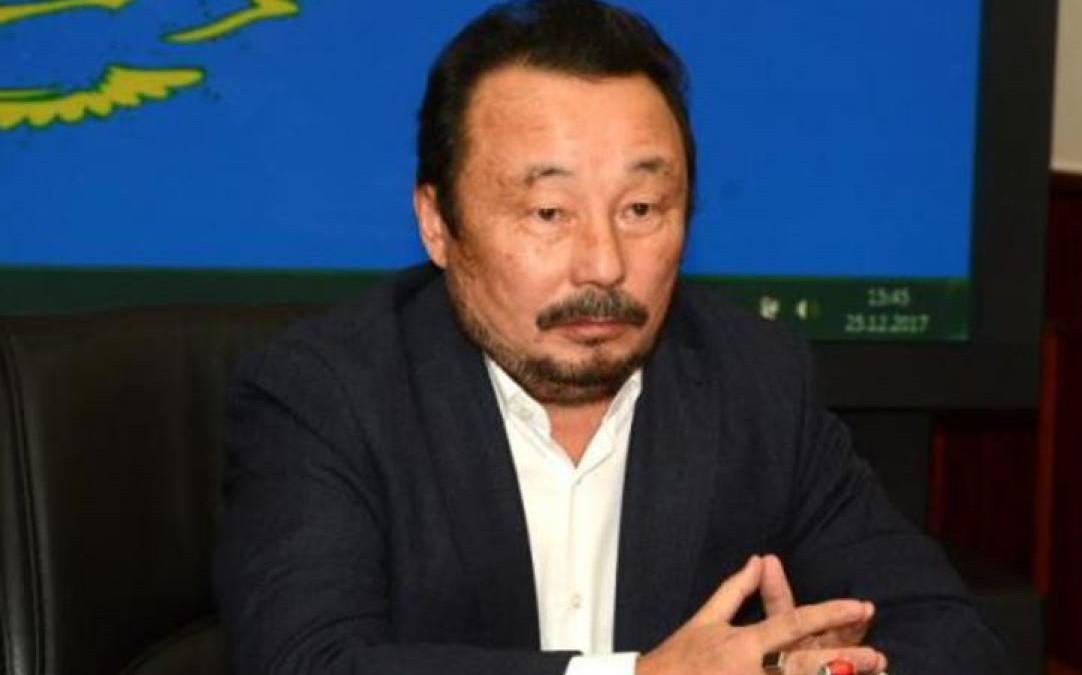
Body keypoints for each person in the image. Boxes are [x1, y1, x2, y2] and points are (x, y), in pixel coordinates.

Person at [214, 1, 1008, 674]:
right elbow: (308, 661)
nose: (604, 263)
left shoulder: (754, 379)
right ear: (437, 223)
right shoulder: (323, 394)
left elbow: (947, 633)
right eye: (548, 212)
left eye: (641, 209)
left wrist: (825, 670)